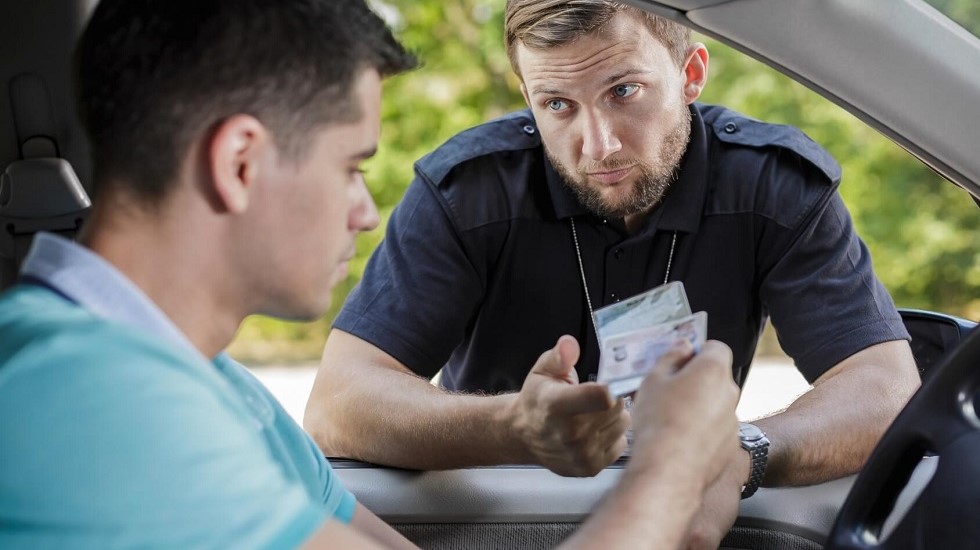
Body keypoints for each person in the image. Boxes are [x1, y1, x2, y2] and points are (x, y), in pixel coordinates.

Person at [0, 0, 743, 548]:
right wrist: (673, 459)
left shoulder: (222, 393)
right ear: (239, 163)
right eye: (350, 167)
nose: (363, 212)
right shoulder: (89, 396)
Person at [306, 0, 922, 546]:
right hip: (501, 518)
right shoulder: (469, 192)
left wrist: (736, 453)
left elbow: (884, 389)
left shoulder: (773, 186)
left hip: (688, 513)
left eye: (623, 91)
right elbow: (339, 403)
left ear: (691, 74)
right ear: (527, 98)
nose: (597, 145)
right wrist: (516, 426)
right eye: (557, 105)